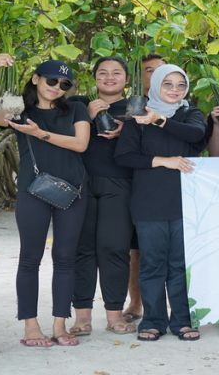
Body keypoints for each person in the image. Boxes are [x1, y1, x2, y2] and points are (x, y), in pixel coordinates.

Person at [0, 56, 90, 348]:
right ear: (36, 79)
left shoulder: (76, 108)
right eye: (52, 80)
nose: (57, 87)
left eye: (64, 84)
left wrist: (40, 133)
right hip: (32, 189)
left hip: (73, 190)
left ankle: (60, 325)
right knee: (30, 258)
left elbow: (80, 144)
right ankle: (31, 326)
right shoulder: (18, 111)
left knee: (65, 258)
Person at [114, 64, 206, 342]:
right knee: (152, 264)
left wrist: (159, 120)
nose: (175, 90)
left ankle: (183, 321)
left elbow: (197, 136)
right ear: (155, 86)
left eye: (180, 85)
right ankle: (153, 320)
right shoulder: (137, 119)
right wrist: (164, 161)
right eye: (167, 84)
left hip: (186, 202)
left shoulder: (190, 114)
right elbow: (124, 156)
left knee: (180, 264)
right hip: (149, 201)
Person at [68, 57, 137, 337]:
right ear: (94, 77)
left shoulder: (135, 108)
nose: (109, 77)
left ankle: (115, 316)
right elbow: (60, 135)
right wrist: (87, 115)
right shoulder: (78, 104)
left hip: (119, 184)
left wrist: (126, 132)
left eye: (116, 73)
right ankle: (82, 317)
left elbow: (149, 142)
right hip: (80, 183)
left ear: (126, 79)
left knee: (115, 248)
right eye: (103, 72)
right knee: (81, 249)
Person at [123, 53, 167, 324]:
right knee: (137, 250)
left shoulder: (182, 106)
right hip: (135, 185)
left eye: (162, 69)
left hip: (170, 187)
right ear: (139, 77)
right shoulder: (130, 107)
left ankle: (177, 307)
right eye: (149, 70)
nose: (157, 74)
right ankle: (136, 302)